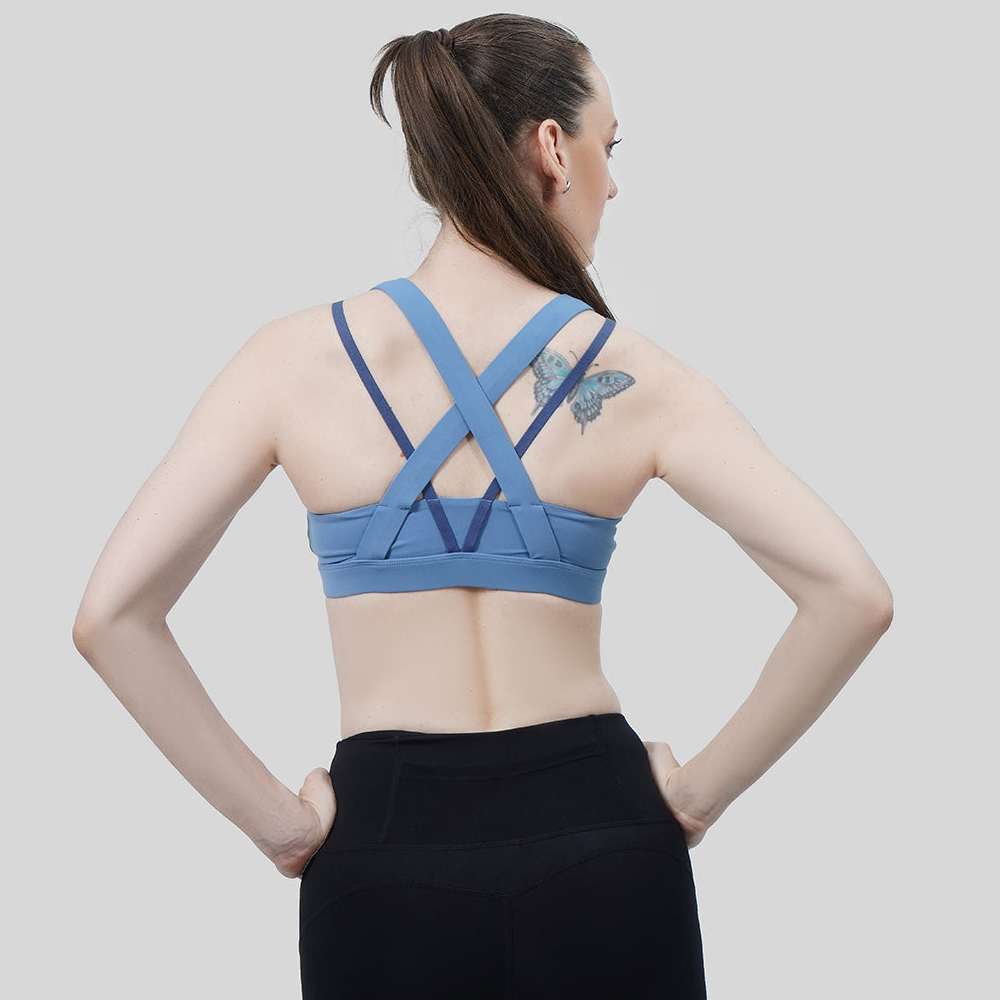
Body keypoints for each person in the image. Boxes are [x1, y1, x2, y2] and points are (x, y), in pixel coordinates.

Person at [71, 13, 893, 1000]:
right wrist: (696, 795)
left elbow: (111, 616)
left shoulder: (290, 363)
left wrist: (279, 825)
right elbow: (852, 594)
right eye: (610, 144)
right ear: (553, 147)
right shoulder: (633, 373)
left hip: (382, 853)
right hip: (602, 839)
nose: (614, 183)